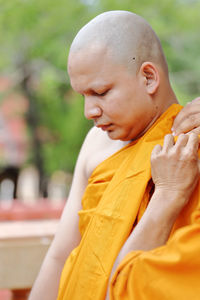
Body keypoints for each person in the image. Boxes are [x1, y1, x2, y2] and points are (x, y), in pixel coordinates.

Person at [29, 11, 200, 300]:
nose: (89, 112)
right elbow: (61, 254)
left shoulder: (187, 148)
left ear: (148, 77)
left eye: (101, 92)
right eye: (83, 96)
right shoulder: (96, 143)